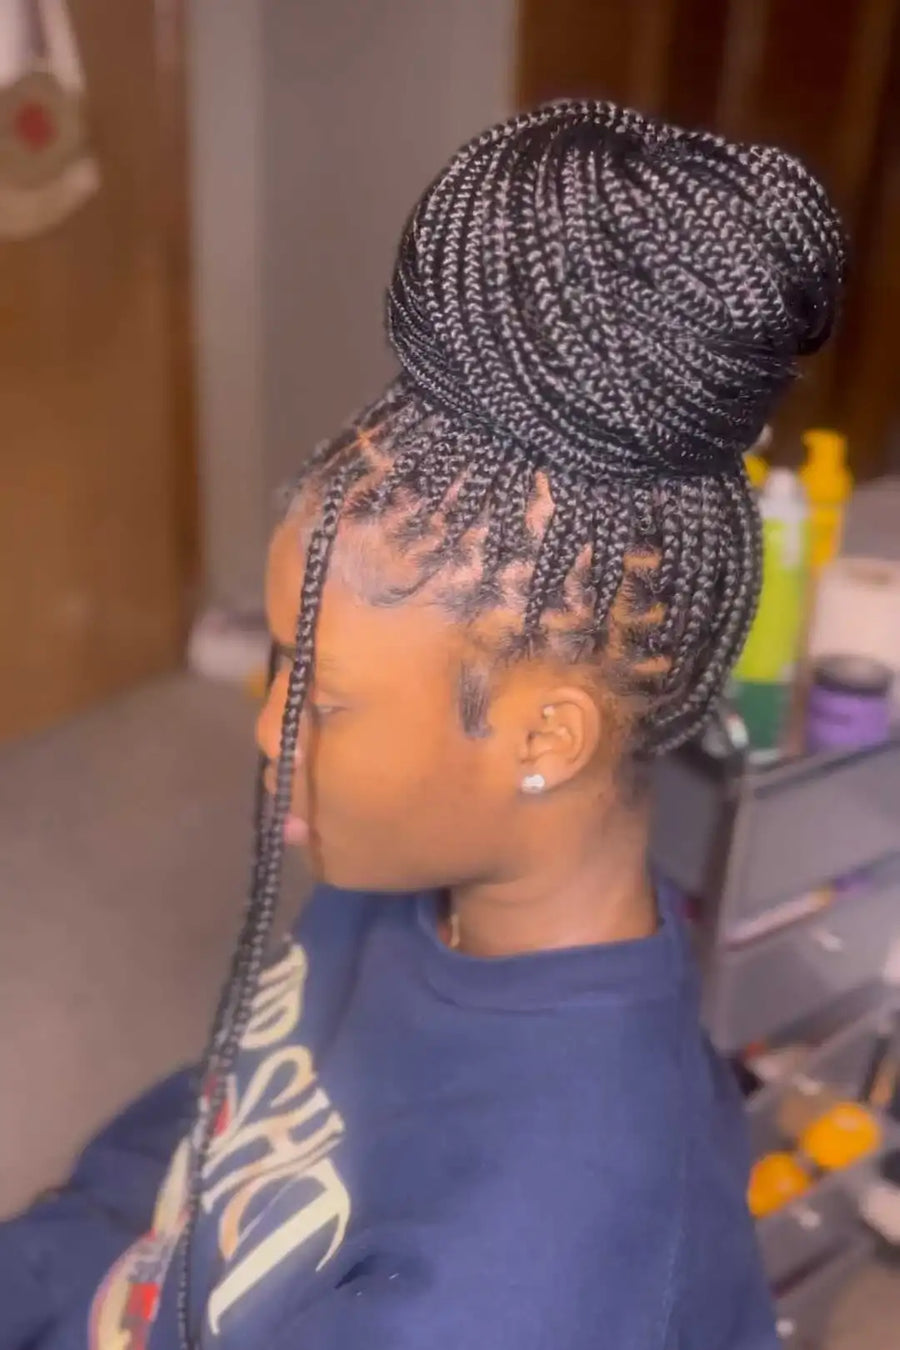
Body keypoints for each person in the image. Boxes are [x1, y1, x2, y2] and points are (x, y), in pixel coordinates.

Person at [1, 100, 845, 1350]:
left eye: (323, 696)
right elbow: (213, 1115)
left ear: (543, 741)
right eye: (279, 661)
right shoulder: (409, 875)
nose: (267, 731)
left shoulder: (527, 1279)